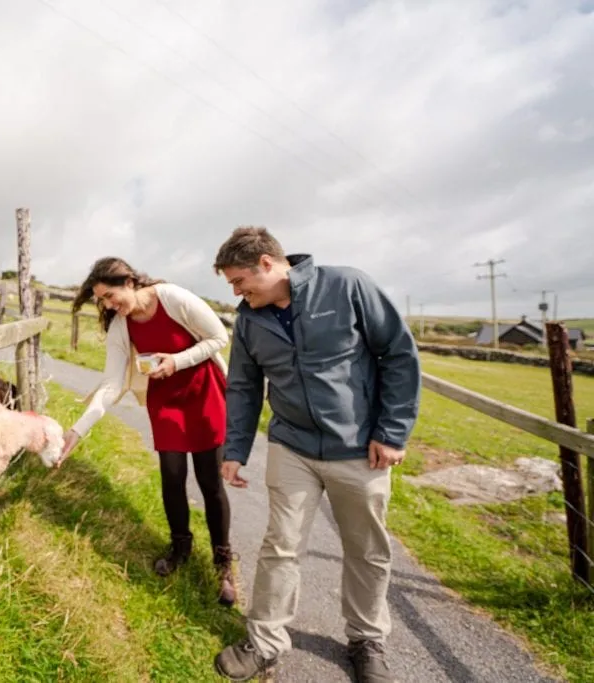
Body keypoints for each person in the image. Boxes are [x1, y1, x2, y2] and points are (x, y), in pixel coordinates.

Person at [209, 227, 421, 683]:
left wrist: (392, 431)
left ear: (268, 263)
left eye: (239, 280)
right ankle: (265, 642)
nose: (236, 292)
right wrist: (235, 449)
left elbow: (398, 355)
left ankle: (366, 641)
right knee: (280, 546)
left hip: (360, 448)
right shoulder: (249, 320)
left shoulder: (347, 287)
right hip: (292, 447)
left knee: (366, 550)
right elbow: (244, 386)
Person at [57, 256, 237, 605]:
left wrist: (176, 360)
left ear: (129, 282)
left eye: (110, 296)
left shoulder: (171, 297)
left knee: (210, 480)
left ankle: (222, 563)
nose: (110, 306)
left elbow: (218, 337)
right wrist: (77, 431)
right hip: (166, 398)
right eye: (103, 302)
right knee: (172, 476)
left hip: (204, 391)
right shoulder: (121, 326)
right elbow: (111, 385)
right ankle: (180, 547)